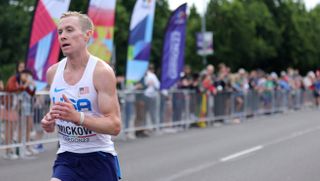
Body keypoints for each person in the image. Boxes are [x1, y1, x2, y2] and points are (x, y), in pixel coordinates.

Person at [41, 11, 121, 181]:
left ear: (87, 35)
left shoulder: (101, 72)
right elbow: (55, 113)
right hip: (67, 157)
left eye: (69, 30)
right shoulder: (53, 73)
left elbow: (114, 126)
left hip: (100, 158)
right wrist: (49, 121)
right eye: (60, 32)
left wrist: (79, 117)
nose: (63, 36)